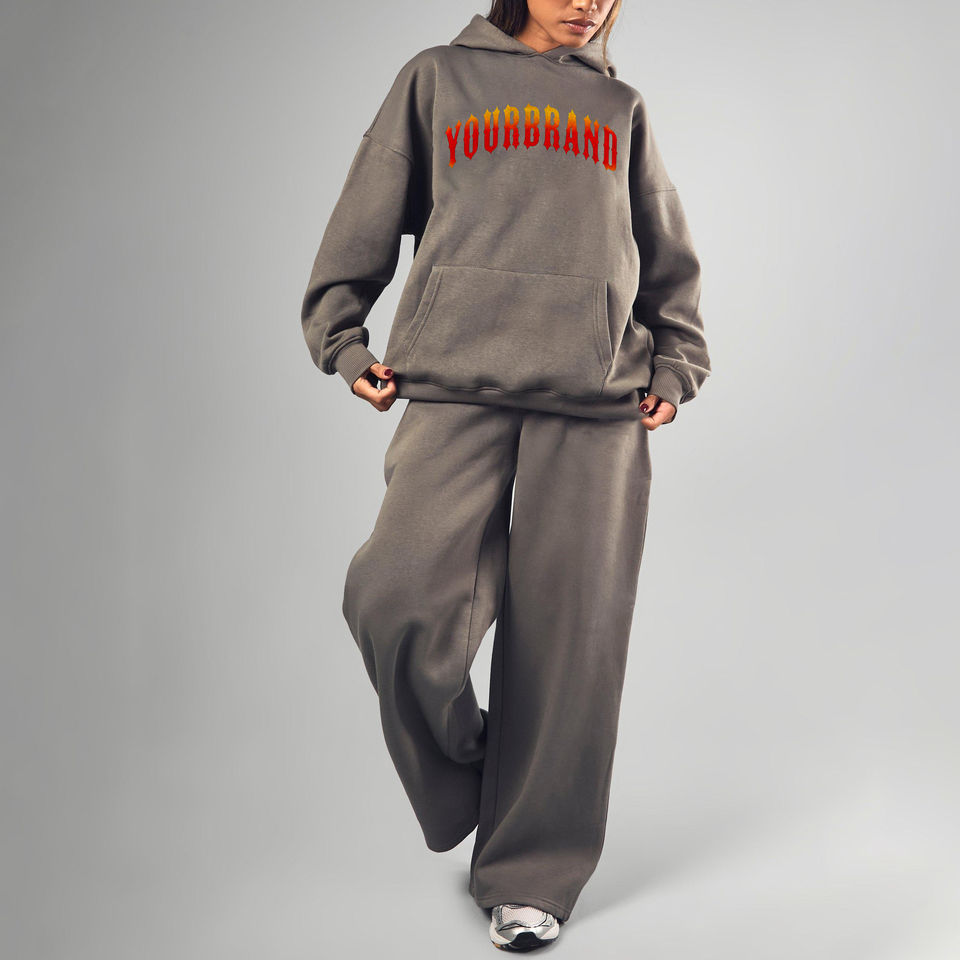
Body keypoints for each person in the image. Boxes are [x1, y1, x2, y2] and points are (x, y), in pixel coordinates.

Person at [300, 0, 711, 950]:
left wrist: (676, 364)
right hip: (455, 384)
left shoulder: (620, 109)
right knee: (395, 598)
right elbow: (365, 217)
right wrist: (343, 339)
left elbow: (667, 258)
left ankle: (532, 876)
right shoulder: (437, 78)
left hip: (598, 403)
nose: (589, 4)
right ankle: (483, 776)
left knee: (572, 641)